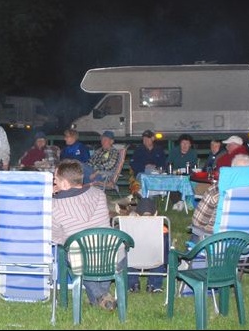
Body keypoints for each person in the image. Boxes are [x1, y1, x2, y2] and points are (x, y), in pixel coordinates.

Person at [52, 159, 118, 311]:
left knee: (75, 251)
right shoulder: (99, 194)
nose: (54, 181)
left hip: (82, 259)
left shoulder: (54, 205)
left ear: (65, 184)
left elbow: (55, 237)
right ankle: (102, 297)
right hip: (108, 254)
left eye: (56, 178)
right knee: (89, 250)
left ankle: (100, 296)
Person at [191, 154, 249, 238]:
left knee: (195, 232)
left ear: (232, 171)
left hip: (216, 241)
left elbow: (198, 222)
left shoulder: (217, 190)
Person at [126, 198, 169, 294]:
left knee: (128, 253)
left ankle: (133, 284)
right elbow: (166, 251)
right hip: (155, 260)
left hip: (134, 259)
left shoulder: (129, 228)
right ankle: (154, 285)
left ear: (137, 214)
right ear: (156, 213)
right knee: (160, 255)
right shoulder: (162, 229)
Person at [128, 130, 166, 195]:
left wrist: (156, 167)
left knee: (160, 177)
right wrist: (144, 167)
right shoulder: (139, 150)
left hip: (156, 173)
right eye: (144, 139)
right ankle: (148, 195)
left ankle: (149, 195)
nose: (145, 140)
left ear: (153, 138)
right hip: (142, 173)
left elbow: (164, 163)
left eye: (148, 138)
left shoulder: (159, 150)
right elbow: (132, 163)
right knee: (145, 177)